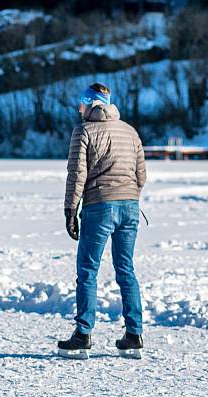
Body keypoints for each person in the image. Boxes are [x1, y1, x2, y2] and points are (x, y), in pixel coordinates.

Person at [57, 83, 147, 359]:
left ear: (91, 103)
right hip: (130, 206)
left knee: (87, 271)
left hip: (99, 207)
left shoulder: (83, 131)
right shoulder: (130, 131)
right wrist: (127, 194)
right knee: (125, 269)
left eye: (82, 103)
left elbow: (77, 175)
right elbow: (141, 175)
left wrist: (70, 211)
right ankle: (134, 334)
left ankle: (83, 334)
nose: (78, 108)